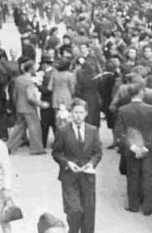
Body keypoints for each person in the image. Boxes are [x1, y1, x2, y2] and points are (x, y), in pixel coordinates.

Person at [51, 98, 102, 233]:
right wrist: (67, 163)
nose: (78, 115)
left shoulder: (93, 130)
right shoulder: (63, 131)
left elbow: (98, 152)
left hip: (87, 177)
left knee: (88, 214)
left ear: (86, 113)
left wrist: (91, 164)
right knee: (74, 211)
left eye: (81, 112)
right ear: (71, 114)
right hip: (69, 177)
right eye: (75, 112)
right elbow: (56, 152)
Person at [114, 83, 152, 215]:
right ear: (141, 93)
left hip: (131, 149)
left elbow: (120, 132)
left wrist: (132, 146)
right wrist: (146, 146)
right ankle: (147, 207)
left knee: (133, 177)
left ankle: (133, 205)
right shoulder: (151, 109)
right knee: (148, 177)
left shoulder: (123, 110)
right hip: (147, 149)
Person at [7, 60, 45, 155]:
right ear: (31, 69)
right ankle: (36, 149)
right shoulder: (29, 81)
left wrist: (16, 104)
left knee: (18, 128)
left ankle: (9, 146)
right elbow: (30, 97)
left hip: (20, 106)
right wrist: (40, 104)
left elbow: (14, 94)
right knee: (34, 128)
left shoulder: (18, 79)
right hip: (29, 108)